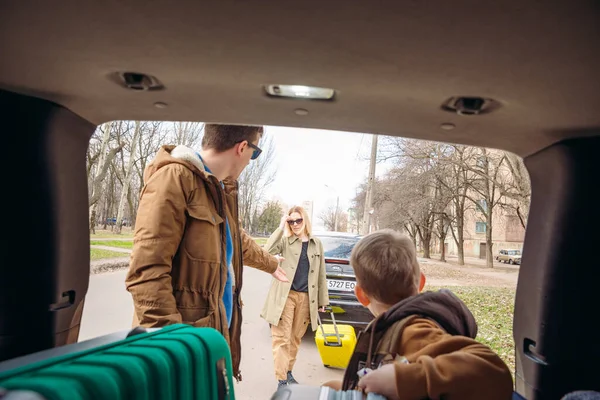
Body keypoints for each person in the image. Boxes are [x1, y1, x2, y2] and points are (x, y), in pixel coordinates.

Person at [125, 124, 289, 382]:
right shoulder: (175, 178)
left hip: (211, 341)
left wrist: (270, 263)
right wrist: (174, 350)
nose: (251, 161)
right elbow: (146, 273)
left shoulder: (217, 189)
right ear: (242, 147)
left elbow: (236, 240)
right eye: (254, 154)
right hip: (185, 350)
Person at [324, 229, 513, 400]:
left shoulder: (413, 331)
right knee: (330, 386)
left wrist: (403, 379)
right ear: (421, 282)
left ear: (361, 295)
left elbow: (493, 372)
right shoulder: (395, 326)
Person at [261, 206, 329, 389]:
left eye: (298, 220)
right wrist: (281, 226)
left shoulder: (317, 244)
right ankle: (282, 380)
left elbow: (321, 273)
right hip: (286, 296)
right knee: (281, 338)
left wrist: (323, 300)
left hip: (306, 298)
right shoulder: (285, 241)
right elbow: (266, 251)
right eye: (291, 221)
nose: (295, 224)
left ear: (305, 220)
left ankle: (288, 372)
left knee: (295, 338)